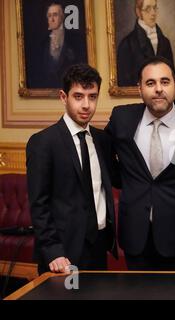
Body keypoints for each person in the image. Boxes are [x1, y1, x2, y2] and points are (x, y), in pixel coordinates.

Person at [105, 56, 175, 271]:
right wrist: (127, 182)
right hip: (135, 235)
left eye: (164, 82)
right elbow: (104, 156)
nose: (158, 89)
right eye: (150, 83)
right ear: (139, 88)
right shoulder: (122, 118)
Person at [26, 64, 118, 274]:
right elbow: (39, 204)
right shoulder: (43, 143)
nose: (86, 105)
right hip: (63, 252)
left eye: (92, 96)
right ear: (63, 97)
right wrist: (53, 251)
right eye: (78, 96)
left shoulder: (102, 140)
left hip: (99, 245)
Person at [117, 0, 174, 87]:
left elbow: (172, 77)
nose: (153, 13)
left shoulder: (165, 42)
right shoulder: (127, 44)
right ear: (138, 12)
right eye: (148, 9)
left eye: (154, 8)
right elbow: (124, 83)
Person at [30, 2, 87, 88]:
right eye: (49, 16)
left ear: (62, 17)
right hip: (46, 90)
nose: (52, 19)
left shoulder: (74, 39)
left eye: (55, 15)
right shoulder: (43, 43)